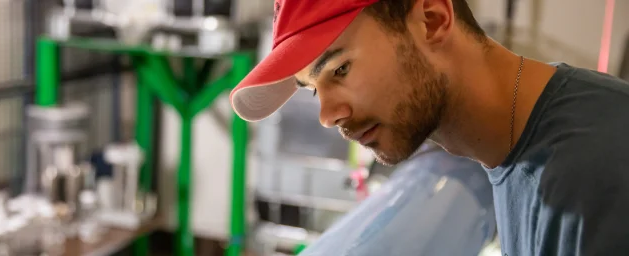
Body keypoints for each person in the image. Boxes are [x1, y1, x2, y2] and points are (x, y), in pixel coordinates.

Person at [229, 0, 629, 255]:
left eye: (341, 68)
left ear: (432, 20)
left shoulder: (596, 169)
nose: (327, 115)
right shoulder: (515, 151)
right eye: (314, 90)